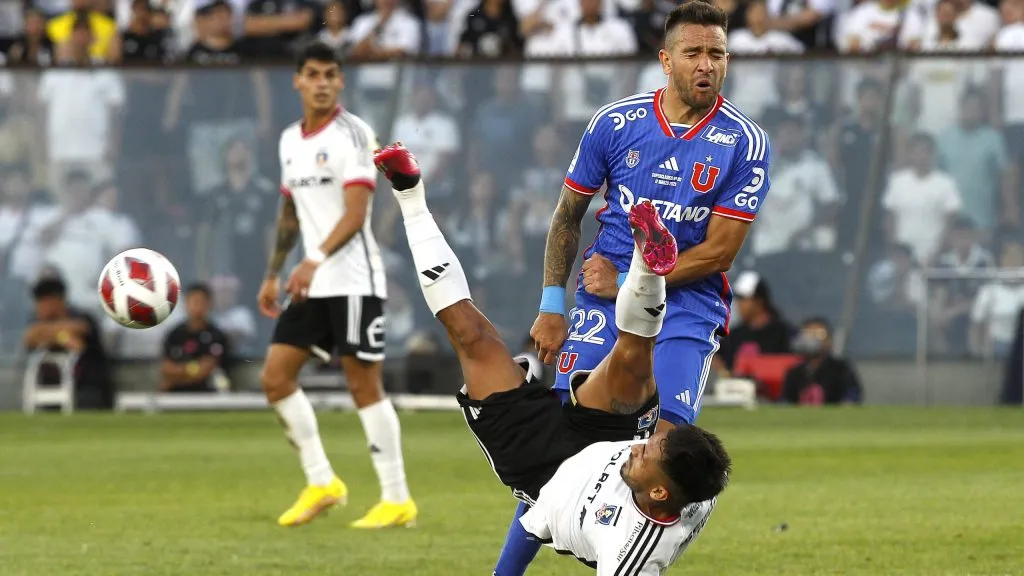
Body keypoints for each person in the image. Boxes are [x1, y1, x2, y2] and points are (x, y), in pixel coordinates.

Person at [375, 142, 731, 573]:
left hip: (536, 463)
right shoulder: (677, 480)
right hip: (601, 434)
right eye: (650, 441)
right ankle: (647, 263)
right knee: (633, 357)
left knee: (468, 334)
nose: (640, 447)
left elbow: (536, 518)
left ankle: (410, 194)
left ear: (657, 493)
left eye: (648, 452)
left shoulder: (629, 550)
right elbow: (681, 467)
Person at [515, 1, 771, 573]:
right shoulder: (615, 123)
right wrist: (551, 305)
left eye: (718, 54)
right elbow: (567, 215)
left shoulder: (744, 142)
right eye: (695, 52)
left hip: (687, 305)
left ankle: (638, 560)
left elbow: (721, 251)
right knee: (561, 449)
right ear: (666, 59)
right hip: (601, 302)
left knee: (671, 445)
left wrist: (636, 278)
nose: (708, 64)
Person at [257, 42, 415, 528]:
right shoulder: (289, 141)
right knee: (275, 378)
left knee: (363, 384)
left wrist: (312, 260)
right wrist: (273, 271)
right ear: (297, 81)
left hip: (352, 278)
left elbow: (356, 213)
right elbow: (290, 210)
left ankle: (396, 498)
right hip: (311, 278)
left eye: (330, 74)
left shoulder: (354, 134)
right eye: (312, 74)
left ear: (340, 81)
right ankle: (322, 480)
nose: (322, 82)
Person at [23, 276, 113, 410]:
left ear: (56, 301)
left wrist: (47, 335)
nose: (39, 308)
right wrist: (62, 337)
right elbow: (29, 337)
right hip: (51, 389)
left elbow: (79, 340)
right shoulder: (36, 321)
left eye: (42, 302)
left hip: (88, 390)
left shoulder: (82, 317)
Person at [160, 283, 232, 393]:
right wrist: (193, 369)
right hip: (175, 396)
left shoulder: (216, 336)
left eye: (201, 302)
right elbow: (166, 369)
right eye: (193, 301)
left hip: (208, 395)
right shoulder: (175, 334)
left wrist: (176, 377)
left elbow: (205, 370)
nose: (197, 306)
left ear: (209, 304)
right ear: (186, 304)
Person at [781, 318, 862, 405]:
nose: (811, 340)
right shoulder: (794, 372)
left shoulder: (840, 368)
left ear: (829, 341)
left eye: (818, 335)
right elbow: (785, 399)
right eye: (807, 334)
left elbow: (852, 394)